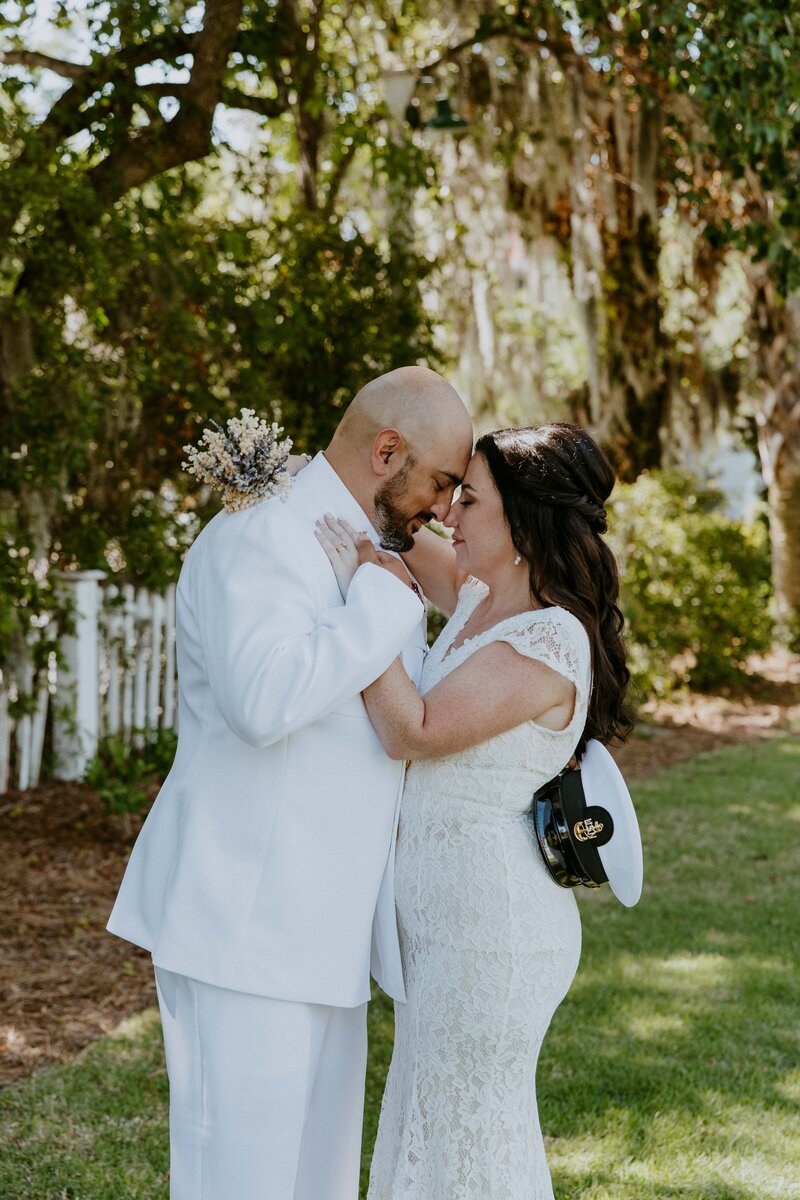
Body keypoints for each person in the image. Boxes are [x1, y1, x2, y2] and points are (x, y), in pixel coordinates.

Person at [106, 366, 473, 1200]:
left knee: (317, 1185)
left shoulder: (373, 557)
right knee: (239, 1183)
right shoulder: (262, 534)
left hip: (326, 939)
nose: (446, 510)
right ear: (387, 451)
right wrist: (383, 607)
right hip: (245, 930)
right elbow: (262, 700)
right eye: (442, 482)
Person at [315, 423, 634, 1200]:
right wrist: (303, 483)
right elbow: (381, 535)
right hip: (446, 934)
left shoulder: (551, 639)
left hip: (494, 938)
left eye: (471, 498)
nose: (450, 513)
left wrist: (369, 602)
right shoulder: (482, 597)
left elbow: (410, 729)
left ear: (523, 522)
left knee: (473, 1140)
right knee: (433, 1125)